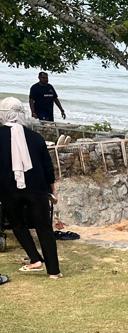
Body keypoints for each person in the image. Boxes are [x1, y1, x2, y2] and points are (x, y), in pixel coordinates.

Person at [0, 98, 61, 278]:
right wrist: (52, 190)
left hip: (8, 189)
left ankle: (35, 259)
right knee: (44, 228)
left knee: (18, 225)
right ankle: (54, 271)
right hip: (37, 188)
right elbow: (48, 167)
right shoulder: (36, 137)